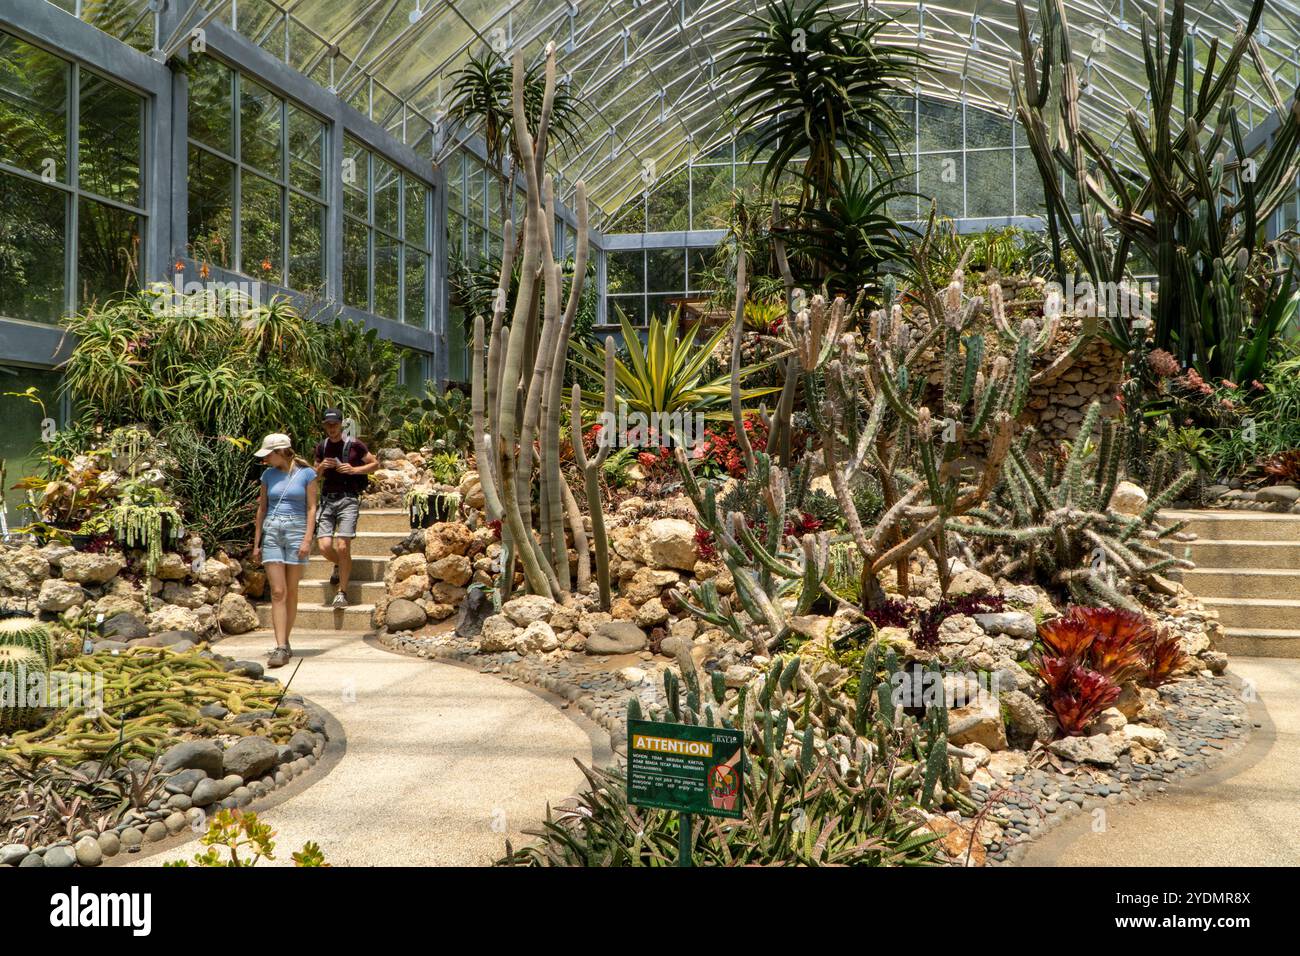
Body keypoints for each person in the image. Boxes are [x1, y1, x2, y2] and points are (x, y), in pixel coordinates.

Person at [251, 433, 317, 668]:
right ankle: (280, 645)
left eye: (268, 454)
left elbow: (311, 508)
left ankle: (285, 642)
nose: (265, 459)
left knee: (291, 589)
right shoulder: (267, 475)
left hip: (297, 530)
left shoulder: (306, 474)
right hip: (273, 530)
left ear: (280, 452)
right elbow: (262, 509)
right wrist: (256, 543)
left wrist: (308, 539)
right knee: (278, 591)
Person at [313, 409, 378, 608]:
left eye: (334, 424)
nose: (331, 428)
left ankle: (342, 592)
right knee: (324, 547)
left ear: (341, 424)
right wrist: (322, 467)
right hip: (327, 500)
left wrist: (353, 470)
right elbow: (315, 476)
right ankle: (340, 564)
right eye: (328, 424)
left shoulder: (355, 445)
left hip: (348, 499)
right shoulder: (322, 447)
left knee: (343, 546)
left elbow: (375, 464)